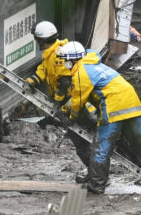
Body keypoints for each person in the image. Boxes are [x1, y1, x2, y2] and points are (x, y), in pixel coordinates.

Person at [58, 41, 141, 194]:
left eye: (65, 60)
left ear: (72, 59)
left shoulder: (81, 72)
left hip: (113, 105)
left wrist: (70, 116)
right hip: (132, 100)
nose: (64, 63)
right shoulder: (94, 64)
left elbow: (78, 101)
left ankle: (96, 186)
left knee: (102, 147)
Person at [25, 21, 93, 174]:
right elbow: (43, 70)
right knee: (81, 139)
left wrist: (57, 101)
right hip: (68, 102)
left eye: (37, 39)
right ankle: (95, 171)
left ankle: (96, 173)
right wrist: (32, 81)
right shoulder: (50, 54)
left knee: (80, 141)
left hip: (71, 102)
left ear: (42, 40)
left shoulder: (58, 54)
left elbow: (64, 81)